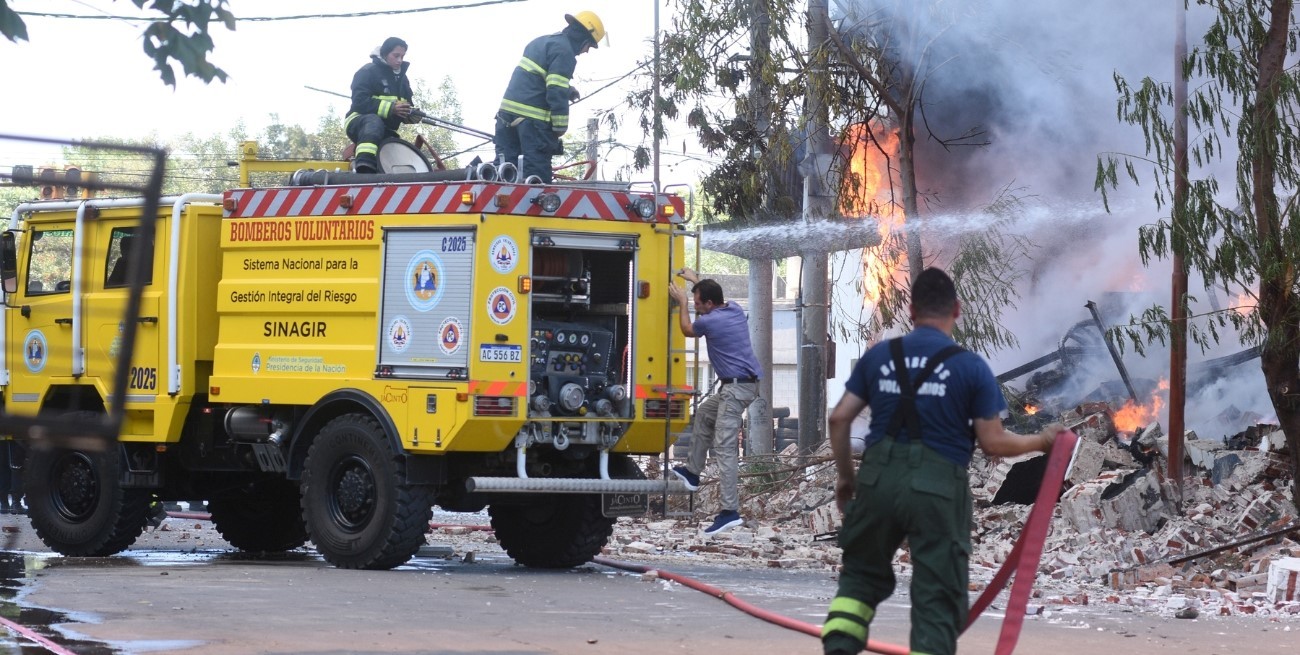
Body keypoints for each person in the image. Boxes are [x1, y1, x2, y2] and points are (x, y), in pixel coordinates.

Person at [820, 267, 1063, 655]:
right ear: (958, 310)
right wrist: (1042, 440)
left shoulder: (880, 356)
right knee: (936, 598)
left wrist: (846, 480)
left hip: (879, 480)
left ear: (911, 311)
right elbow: (993, 442)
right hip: (938, 487)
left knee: (859, 582)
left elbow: (839, 418)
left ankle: (839, 648)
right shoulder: (970, 367)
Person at [666, 267, 762, 536]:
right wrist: (696, 281)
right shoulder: (732, 308)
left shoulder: (711, 322)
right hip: (738, 386)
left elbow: (687, 329)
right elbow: (712, 293)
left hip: (736, 389)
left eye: (698, 303)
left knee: (725, 448)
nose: (696, 307)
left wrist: (682, 301)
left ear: (709, 304)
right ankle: (693, 472)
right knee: (705, 414)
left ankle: (729, 511)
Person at [495, 11, 605, 183]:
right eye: (589, 46)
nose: (586, 52)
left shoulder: (541, 42)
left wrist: (568, 90)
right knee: (536, 179)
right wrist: (560, 127)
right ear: (583, 39)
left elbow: (537, 77)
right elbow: (555, 88)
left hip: (505, 118)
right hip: (532, 124)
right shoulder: (565, 52)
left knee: (504, 174)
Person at [345, 37, 419, 174]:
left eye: (402, 56)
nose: (400, 60)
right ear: (385, 54)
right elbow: (359, 102)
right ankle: (364, 165)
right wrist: (391, 108)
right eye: (396, 55)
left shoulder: (402, 80)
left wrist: (410, 115)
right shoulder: (367, 72)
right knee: (374, 121)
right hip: (360, 122)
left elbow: (405, 105)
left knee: (394, 145)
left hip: (385, 129)